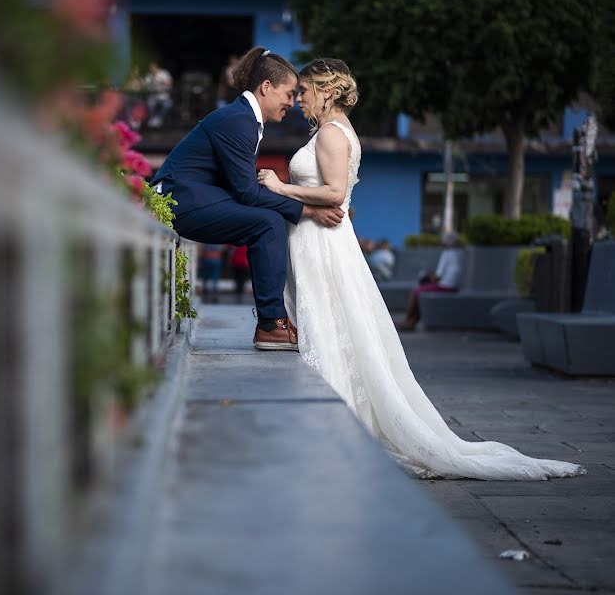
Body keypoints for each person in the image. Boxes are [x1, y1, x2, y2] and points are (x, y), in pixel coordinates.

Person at [256, 58, 583, 480]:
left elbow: (336, 193)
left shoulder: (331, 135)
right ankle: (332, 420)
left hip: (322, 244)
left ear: (327, 91)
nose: (298, 99)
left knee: (330, 325)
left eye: (304, 90)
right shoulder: (336, 133)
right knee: (337, 328)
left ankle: (330, 425)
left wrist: (281, 186)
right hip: (324, 240)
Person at [150, 46, 344, 351]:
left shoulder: (244, 119)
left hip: (196, 197)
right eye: (289, 93)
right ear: (266, 87)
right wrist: (307, 209)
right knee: (266, 223)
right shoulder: (238, 120)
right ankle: (271, 324)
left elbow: (242, 189)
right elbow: (246, 192)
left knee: (268, 219)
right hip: (179, 202)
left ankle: (274, 321)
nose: (291, 104)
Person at [396, 233, 461, 330]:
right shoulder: (459, 253)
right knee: (421, 290)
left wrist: (428, 276)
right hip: (455, 286)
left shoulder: (446, 253)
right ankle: (412, 322)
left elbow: (437, 277)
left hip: (446, 286)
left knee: (416, 292)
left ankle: (408, 320)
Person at [143, 62, 173, 128]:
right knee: (149, 105)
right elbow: (145, 87)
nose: (152, 69)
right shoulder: (148, 76)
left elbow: (169, 84)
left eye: (153, 68)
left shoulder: (164, 73)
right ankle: (152, 119)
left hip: (163, 96)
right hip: (153, 96)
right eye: (151, 68)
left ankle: (159, 119)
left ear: (157, 67)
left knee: (168, 105)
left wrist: (161, 81)